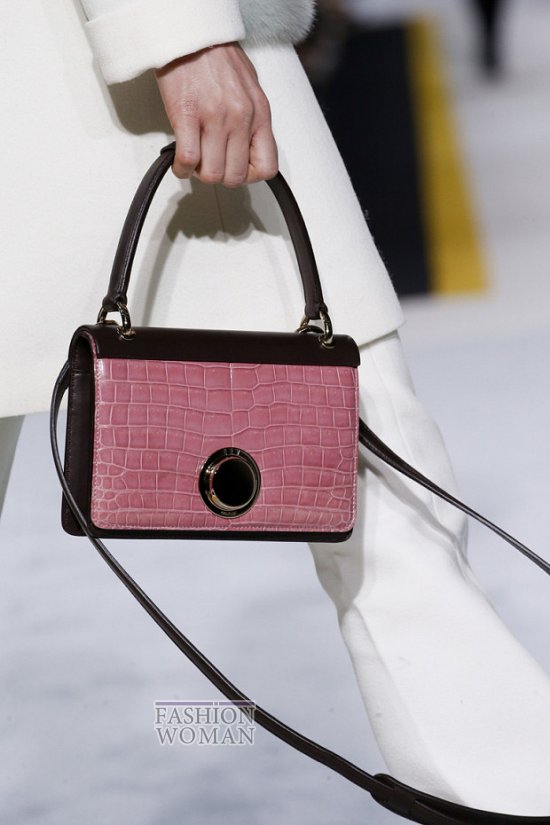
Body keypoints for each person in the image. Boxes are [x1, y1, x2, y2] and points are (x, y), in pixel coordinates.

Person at [1, 0, 550, 815]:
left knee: (377, 468)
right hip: (113, 60)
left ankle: (516, 786)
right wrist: (182, 37)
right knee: (377, 471)